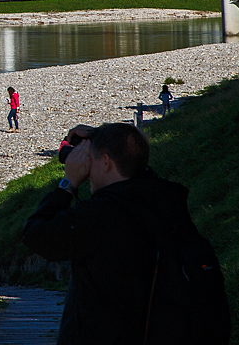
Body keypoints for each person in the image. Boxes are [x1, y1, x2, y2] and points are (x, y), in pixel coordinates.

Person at [22, 123, 221, 344]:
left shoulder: (101, 214)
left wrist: (67, 184)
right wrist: (103, 138)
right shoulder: (166, 202)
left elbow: (36, 235)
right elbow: (135, 162)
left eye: (93, 159)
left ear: (106, 162)